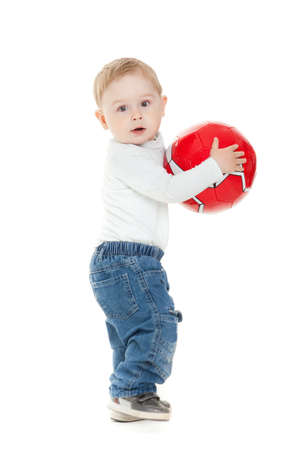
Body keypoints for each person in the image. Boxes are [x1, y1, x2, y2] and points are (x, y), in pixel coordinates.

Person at [89, 57, 246, 422]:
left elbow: (174, 166)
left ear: (163, 106)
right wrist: (215, 167)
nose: (136, 115)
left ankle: (128, 396)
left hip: (127, 262)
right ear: (103, 120)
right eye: (122, 108)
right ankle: (130, 391)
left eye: (145, 104)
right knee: (158, 321)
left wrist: (200, 157)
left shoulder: (150, 148)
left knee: (132, 334)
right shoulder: (124, 155)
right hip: (126, 260)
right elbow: (170, 187)